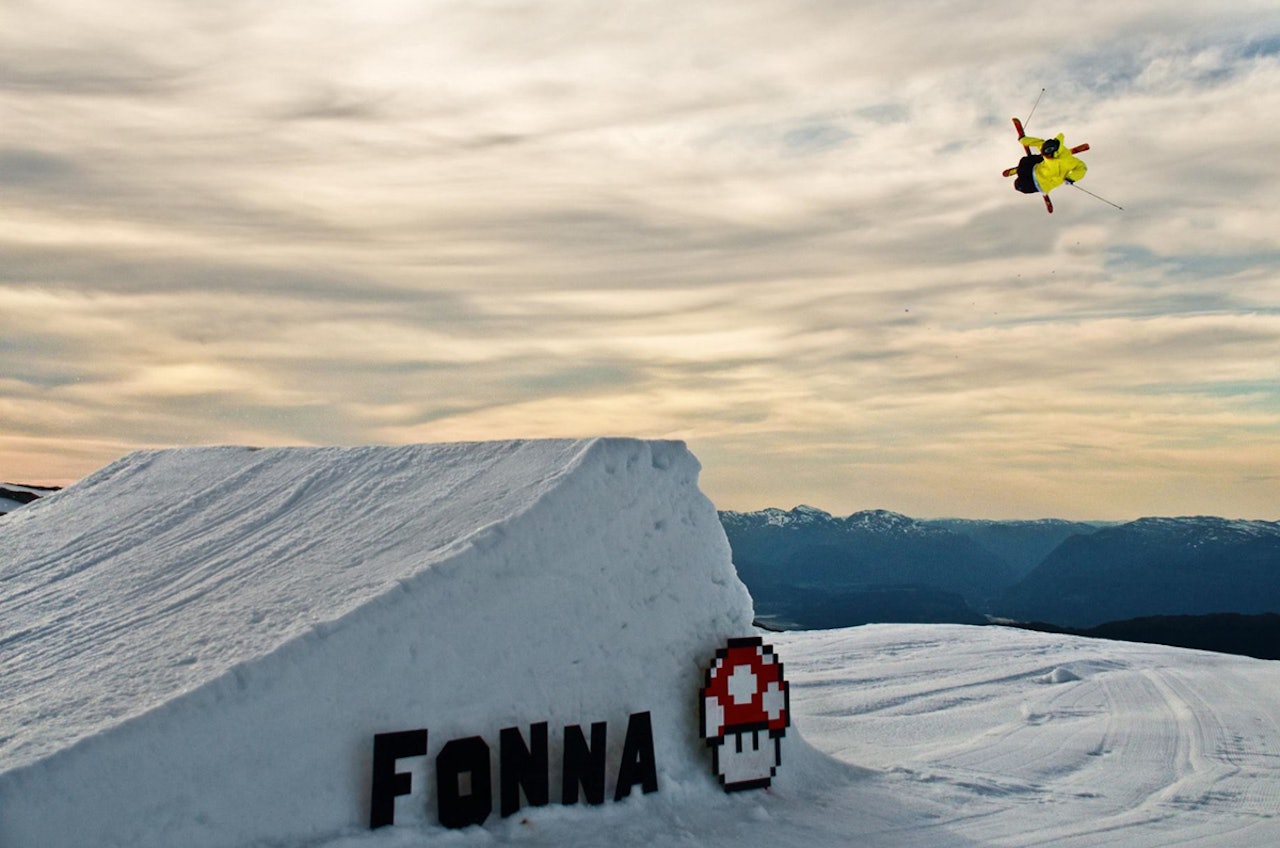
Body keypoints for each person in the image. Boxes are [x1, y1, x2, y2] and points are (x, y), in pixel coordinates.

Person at [1013, 133, 1087, 195]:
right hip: (1036, 171)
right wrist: (1023, 140)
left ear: (1053, 152)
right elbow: (1039, 142)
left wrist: (1071, 178)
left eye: (1046, 155)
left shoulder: (1068, 161)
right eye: (1044, 154)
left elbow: (1082, 168)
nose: (1046, 156)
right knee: (1025, 161)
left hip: (1041, 184)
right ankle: (1039, 158)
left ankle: (1039, 159)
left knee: (1019, 184)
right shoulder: (1048, 147)